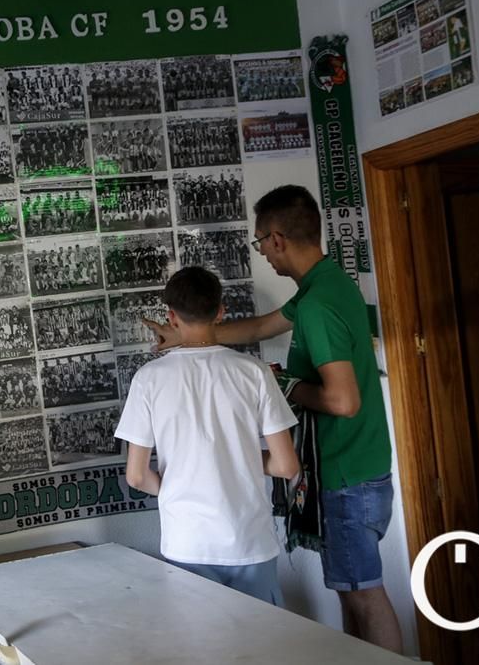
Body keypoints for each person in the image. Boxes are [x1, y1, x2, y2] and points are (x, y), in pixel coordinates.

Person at [145, 185, 402, 653]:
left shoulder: (318, 305)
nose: (261, 251)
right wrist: (191, 335)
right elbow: (262, 326)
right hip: (356, 465)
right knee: (352, 592)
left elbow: (343, 401)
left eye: (260, 240)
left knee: (364, 595)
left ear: (277, 238)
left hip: (346, 472)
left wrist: (283, 384)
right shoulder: (326, 285)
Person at [117, 266, 299, 606]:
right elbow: (287, 466)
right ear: (220, 312)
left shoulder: (148, 379)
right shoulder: (255, 373)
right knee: (265, 636)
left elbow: (137, 476)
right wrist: (240, 456)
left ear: (171, 317)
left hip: (187, 542)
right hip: (250, 541)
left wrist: (179, 484)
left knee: (199, 637)